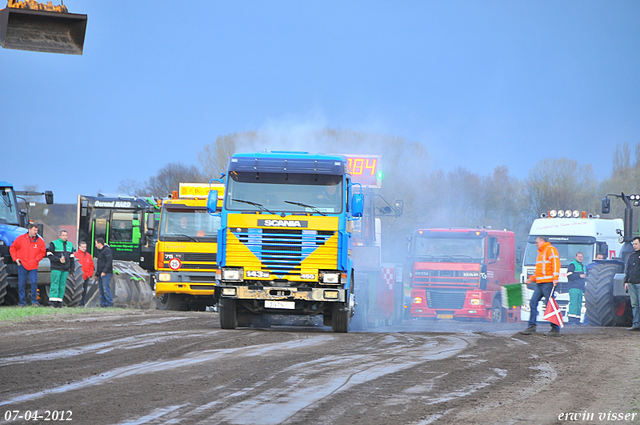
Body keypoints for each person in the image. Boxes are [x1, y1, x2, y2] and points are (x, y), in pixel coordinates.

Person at [520, 236, 561, 336]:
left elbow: (556, 263)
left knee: (549, 305)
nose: (535, 244)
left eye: (537, 242)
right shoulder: (541, 253)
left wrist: (555, 277)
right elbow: (540, 271)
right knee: (533, 302)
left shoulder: (550, 249)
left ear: (542, 241)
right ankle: (531, 327)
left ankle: (555, 329)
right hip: (540, 283)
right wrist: (532, 279)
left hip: (547, 283)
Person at [9, 223, 46, 307]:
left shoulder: (40, 241)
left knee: (34, 282)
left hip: (33, 265)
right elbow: (12, 248)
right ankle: (22, 302)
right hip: (22, 264)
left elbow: (43, 252)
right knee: (21, 284)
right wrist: (16, 258)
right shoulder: (20, 239)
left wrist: (36, 259)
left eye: (37, 230)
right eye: (34, 230)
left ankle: (34, 301)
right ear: (29, 230)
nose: (36, 232)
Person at [47, 229, 74, 308]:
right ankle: (52, 302)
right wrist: (58, 260)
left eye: (66, 235)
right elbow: (49, 255)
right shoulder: (54, 244)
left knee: (62, 285)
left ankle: (59, 302)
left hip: (65, 269)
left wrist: (72, 269)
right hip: (56, 268)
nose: (65, 237)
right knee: (55, 284)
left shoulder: (70, 245)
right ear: (60, 236)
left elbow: (72, 258)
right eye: (63, 235)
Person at [624, 237, 640, 331]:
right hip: (632, 283)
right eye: (633, 244)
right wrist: (626, 281)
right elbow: (628, 269)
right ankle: (636, 324)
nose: (634, 246)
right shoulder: (632, 256)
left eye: (636, 244)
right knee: (634, 304)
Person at [566, 252, 586, 325]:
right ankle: (571, 320)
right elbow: (569, 276)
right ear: (576, 257)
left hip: (580, 288)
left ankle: (577, 320)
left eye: (581, 256)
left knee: (578, 304)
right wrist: (579, 276)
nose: (580, 258)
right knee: (573, 303)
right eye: (579, 256)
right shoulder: (572, 264)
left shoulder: (582, 266)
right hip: (573, 287)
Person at [74, 241, 95, 307]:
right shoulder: (75, 255)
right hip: (78, 277)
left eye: (85, 247)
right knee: (78, 291)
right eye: (82, 247)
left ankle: (82, 302)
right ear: (79, 247)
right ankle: (78, 303)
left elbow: (91, 266)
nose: (84, 248)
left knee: (84, 290)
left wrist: (90, 274)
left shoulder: (89, 255)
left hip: (86, 276)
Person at [95, 238, 113, 307]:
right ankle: (103, 304)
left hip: (106, 273)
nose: (95, 245)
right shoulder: (100, 251)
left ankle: (109, 304)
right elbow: (100, 264)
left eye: (96, 244)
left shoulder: (107, 250)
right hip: (100, 273)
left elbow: (109, 262)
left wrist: (104, 271)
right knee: (101, 290)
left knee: (106, 289)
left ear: (100, 243)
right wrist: (97, 274)